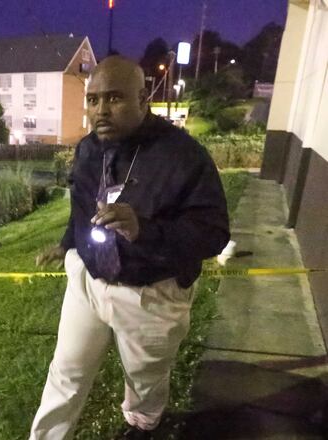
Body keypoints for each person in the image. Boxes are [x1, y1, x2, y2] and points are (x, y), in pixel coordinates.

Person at [29, 56, 229, 440]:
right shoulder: (89, 149)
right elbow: (82, 204)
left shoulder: (183, 156)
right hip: (88, 279)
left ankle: (142, 424)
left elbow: (214, 231)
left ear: (143, 98)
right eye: (93, 99)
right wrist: (67, 243)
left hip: (150, 293)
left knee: (145, 378)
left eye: (115, 98)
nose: (100, 110)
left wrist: (146, 230)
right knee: (66, 370)